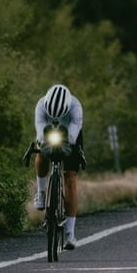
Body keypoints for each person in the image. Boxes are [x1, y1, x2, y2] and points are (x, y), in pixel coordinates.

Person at [33, 83, 85, 250]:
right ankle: (41, 193)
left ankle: (70, 233)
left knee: (70, 178)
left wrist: (65, 145)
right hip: (48, 134)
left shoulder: (76, 108)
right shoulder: (41, 105)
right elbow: (40, 134)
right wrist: (45, 142)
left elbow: (72, 137)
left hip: (70, 135)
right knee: (40, 151)